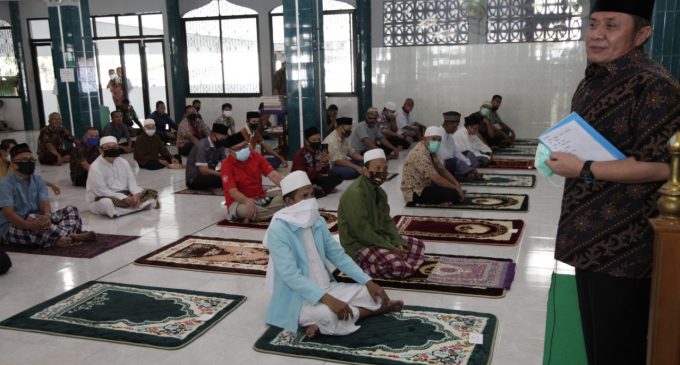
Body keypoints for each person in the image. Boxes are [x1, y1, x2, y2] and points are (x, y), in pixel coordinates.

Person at [545, 1, 680, 363]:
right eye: (593, 24)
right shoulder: (593, 78)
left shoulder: (654, 85)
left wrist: (583, 167)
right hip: (587, 234)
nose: (597, 35)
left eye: (611, 26)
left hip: (625, 244)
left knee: (620, 347)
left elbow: (662, 166)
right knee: (597, 342)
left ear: (642, 34)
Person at [264, 170, 403, 337]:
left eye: (312, 194)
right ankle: (373, 311)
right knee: (328, 314)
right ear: (289, 201)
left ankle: (320, 322)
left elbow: (339, 256)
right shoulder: (278, 229)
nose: (310, 200)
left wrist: (367, 281)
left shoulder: (317, 220)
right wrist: (329, 300)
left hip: (327, 287)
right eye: (304, 196)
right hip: (297, 298)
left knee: (370, 294)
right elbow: (290, 276)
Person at [339, 149, 425, 278]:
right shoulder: (355, 194)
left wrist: (397, 242)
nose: (382, 172)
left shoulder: (379, 192)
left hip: (378, 237)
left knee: (418, 245)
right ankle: (357, 268)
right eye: (377, 168)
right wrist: (391, 248)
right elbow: (363, 232)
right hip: (358, 244)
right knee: (397, 265)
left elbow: (387, 221)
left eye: (385, 168)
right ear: (365, 170)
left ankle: (396, 261)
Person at [0, 143, 95, 247]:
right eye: (24, 160)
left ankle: (59, 238)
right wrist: (30, 226)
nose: (29, 162)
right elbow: (9, 214)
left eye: (31, 159)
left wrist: (47, 216)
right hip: (14, 227)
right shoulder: (5, 184)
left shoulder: (38, 180)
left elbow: (44, 203)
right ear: (14, 165)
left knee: (71, 210)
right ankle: (68, 235)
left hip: (39, 221)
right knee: (33, 219)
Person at [86, 136, 159, 218]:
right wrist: (125, 199)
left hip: (125, 193)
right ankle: (135, 206)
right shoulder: (95, 167)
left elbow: (132, 183)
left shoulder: (123, 162)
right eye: (108, 147)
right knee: (106, 203)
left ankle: (130, 206)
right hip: (103, 197)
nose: (112, 149)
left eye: (114, 147)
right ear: (101, 150)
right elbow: (102, 191)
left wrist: (136, 195)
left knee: (150, 194)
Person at [221, 132, 284, 223]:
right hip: (239, 202)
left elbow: (273, 175)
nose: (242, 150)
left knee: (287, 196)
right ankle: (281, 212)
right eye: (238, 148)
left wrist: (290, 190)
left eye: (244, 146)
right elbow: (233, 192)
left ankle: (268, 213)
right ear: (230, 151)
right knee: (246, 211)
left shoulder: (256, 156)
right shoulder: (226, 165)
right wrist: (247, 201)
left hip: (260, 197)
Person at [401, 127, 465, 205]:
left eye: (439, 140)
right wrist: (455, 188)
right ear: (424, 139)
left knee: (451, 189)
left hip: (426, 185)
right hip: (415, 192)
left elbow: (441, 169)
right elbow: (436, 178)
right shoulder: (419, 154)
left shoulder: (429, 150)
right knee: (452, 194)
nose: (437, 142)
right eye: (434, 139)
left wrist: (456, 184)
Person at [291, 127, 343, 198]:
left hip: (315, 180)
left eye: (318, 140)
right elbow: (300, 178)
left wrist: (325, 162)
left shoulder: (319, 150)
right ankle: (318, 190)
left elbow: (325, 173)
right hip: (303, 183)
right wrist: (317, 168)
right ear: (306, 141)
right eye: (314, 140)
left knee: (338, 176)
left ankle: (318, 190)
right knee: (306, 192)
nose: (317, 142)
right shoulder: (300, 155)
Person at [436, 111, 482, 181]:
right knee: (456, 160)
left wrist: (470, 166)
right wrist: (466, 167)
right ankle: (464, 175)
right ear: (448, 123)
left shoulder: (450, 137)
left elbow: (457, 153)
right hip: (441, 165)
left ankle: (467, 174)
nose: (456, 129)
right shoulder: (437, 133)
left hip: (453, 163)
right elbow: (444, 156)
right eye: (455, 126)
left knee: (468, 154)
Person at [185, 123, 229, 190]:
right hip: (195, 178)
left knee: (231, 175)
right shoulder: (202, 146)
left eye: (224, 139)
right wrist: (221, 174)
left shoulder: (220, 145)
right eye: (221, 139)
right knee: (222, 179)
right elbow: (203, 171)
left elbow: (225, 163)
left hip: (209, 175)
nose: (222, 141)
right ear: (213, 135)